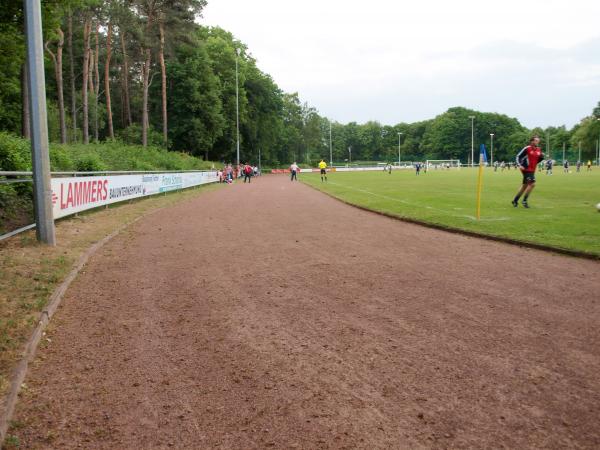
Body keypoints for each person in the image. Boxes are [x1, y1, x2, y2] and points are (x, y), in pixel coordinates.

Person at [512, 135, 544, 208]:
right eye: (536, 140)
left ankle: (515, 200)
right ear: (532, 141)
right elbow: (518, 156)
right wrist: (519, 165)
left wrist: (541, 158)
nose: (537, 142)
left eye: (538, 141)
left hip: (532, 170)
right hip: (526, 169)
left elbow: (538, 159)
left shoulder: (539, 149)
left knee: (525, 186)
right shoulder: (527, 148)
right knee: (532, 184)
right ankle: (524, 201)